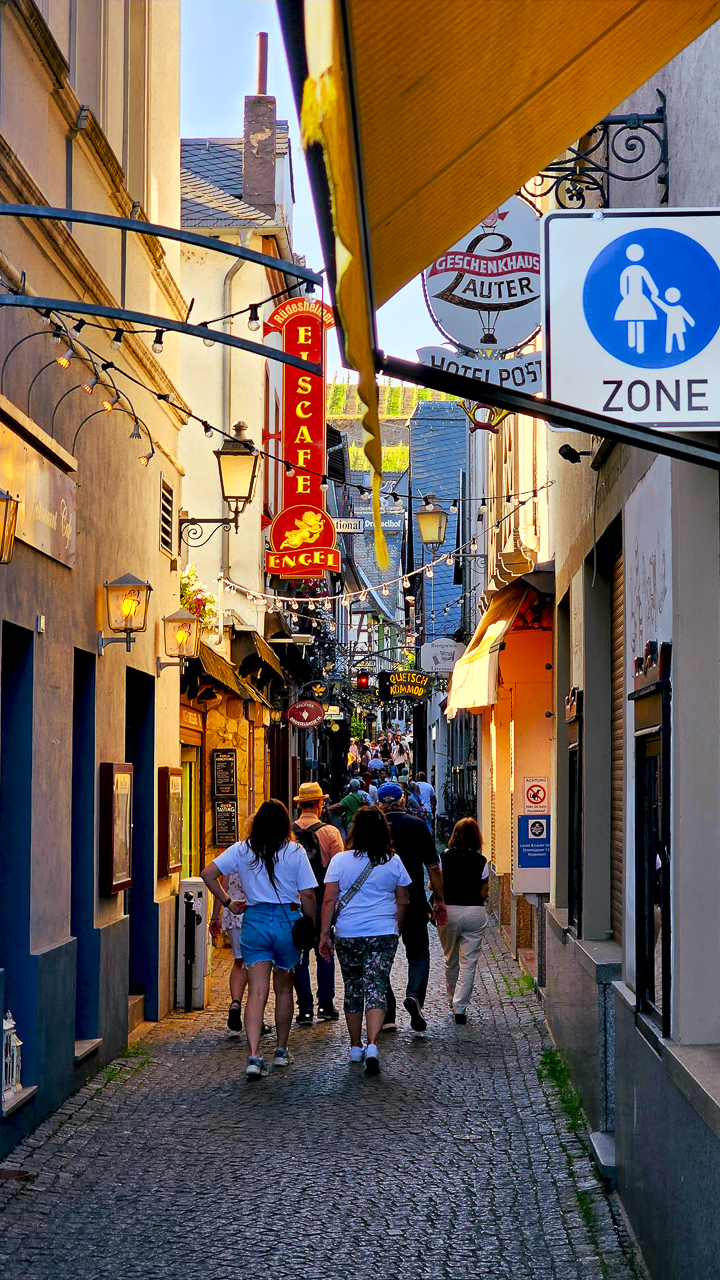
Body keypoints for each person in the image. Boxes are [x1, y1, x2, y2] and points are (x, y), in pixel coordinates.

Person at [201, 799, 317, 1080]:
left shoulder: (243, 848)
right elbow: (309, 895)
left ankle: (253, 1056)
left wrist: (228, 903)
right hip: (287, 922)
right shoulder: (295, 851)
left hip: (254, 921)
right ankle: (280, 1050)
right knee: (285, 990)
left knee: (256, 993)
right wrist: (310, 924)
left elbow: (208, 874)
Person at [319, 806, 411, 1075]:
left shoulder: (340, 861)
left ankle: (355, 1045)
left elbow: (329, 899)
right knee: (376, 985)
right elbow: (403, 900)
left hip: (348, 933)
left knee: (354, 988)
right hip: (383, 932)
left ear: (354, 830)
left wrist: (325, 934)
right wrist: (397, 926)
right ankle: (373, 1045)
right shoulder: (394, 861)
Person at [377, 781, 447, 1032]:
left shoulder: (371, 827)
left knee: (380, 958)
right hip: (415, 899)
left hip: (380, 903)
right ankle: (415, 995)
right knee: (418, 954)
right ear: (402, 801)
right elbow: (433, 867)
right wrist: (439, 898)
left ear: (379, 803)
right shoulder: (417, 825)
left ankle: (387, 1015)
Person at [291, 782, 344, 1025]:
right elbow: (338, 872)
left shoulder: (288, 834)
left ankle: (304, 1009)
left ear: (300, 805)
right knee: (324, 950)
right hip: (322, 899)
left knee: (298, 954)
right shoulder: (331, 833)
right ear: (320, 804)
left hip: (294, 900)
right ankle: (326, 1004)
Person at [437, 817, 489, 1024]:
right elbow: (484, 890)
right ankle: (460, 1007)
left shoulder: (444, 857)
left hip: (449, 910)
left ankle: (452, 999)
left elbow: (434, 884)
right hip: (475, 911)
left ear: (454, 835)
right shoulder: (481, 861)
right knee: (469, 962)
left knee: (451, 958)